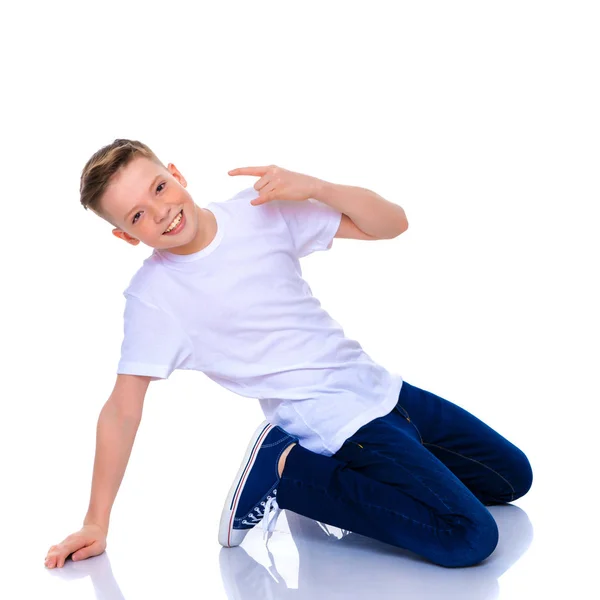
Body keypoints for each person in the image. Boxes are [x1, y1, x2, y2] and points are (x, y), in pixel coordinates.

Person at [44, 139, 533, 570]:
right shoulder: (154, 299)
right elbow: (122, 410)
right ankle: (290, 471)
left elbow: (393, 224)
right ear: (127, 236)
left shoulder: (256, 210)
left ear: (176, 173)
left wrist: (317, 186)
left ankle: (326, 475)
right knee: (468, 536)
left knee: (511, 479)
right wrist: (95, 522)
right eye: (136, 217)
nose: (160, 212)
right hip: (334, 420)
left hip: (380, 388)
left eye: (158, 188)